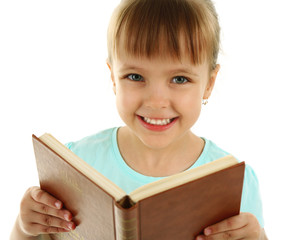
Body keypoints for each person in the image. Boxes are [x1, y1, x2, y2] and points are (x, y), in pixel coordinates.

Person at [10, 0, 268, 239]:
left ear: (209, 83)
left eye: (179, 79)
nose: (156, 101)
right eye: (135, 76)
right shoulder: (76, 165)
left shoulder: (235, 184)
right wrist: (24, 227)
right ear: (113, 78)